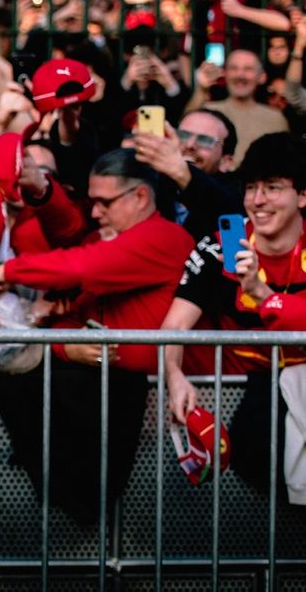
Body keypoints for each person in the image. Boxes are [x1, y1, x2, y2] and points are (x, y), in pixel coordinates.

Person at [0, 148, 194, 523]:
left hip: (151, 402)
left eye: (104, 202)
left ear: (140, 197)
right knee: (19, 382)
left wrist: (5, 272)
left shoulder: (165, 237)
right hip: (100, 396)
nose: (94, 213)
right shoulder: (101, 238)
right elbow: (68, 317)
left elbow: (76, 268)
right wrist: (65, 348)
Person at [163, 132, 306, 496]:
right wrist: (174, 375)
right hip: (251, 393)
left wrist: (260, 293)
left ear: (302, 196)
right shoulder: (221, 245)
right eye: (251, 188)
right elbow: (173, 327)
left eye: (273, 188)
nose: (258, 201)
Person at [131, 108, 242, 239]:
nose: (190, 145)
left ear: (226, 162)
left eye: (205, 140)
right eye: (183, 135)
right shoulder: (151, 181)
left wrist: (182, 172)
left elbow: (225, 210)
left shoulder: (238, 193)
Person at [187, 50, 288, 167]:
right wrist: (201, 90)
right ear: (224, 74)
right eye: (234, 68)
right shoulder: (210, 111)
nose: (240, 75)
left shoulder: (275, 118)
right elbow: (185, 130)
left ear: (262, 77)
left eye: (248, 69)